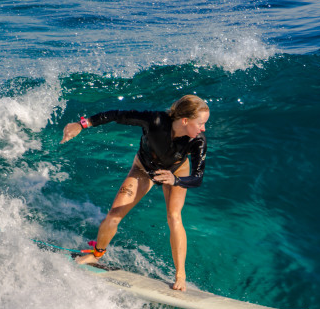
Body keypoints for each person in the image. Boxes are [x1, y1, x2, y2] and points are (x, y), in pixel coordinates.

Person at [61, 94, 209, 291]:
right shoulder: (155, 121)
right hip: (143, 169)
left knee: (174, 217)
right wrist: (83, 124)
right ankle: (96, 254)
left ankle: (180, 274)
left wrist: (176, 180)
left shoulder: (197, 141)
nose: (203, 128)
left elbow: (198, 177)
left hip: (176, 172)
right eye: (200, 123)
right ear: (184, 120)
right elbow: (117, 115)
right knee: (113, 216)